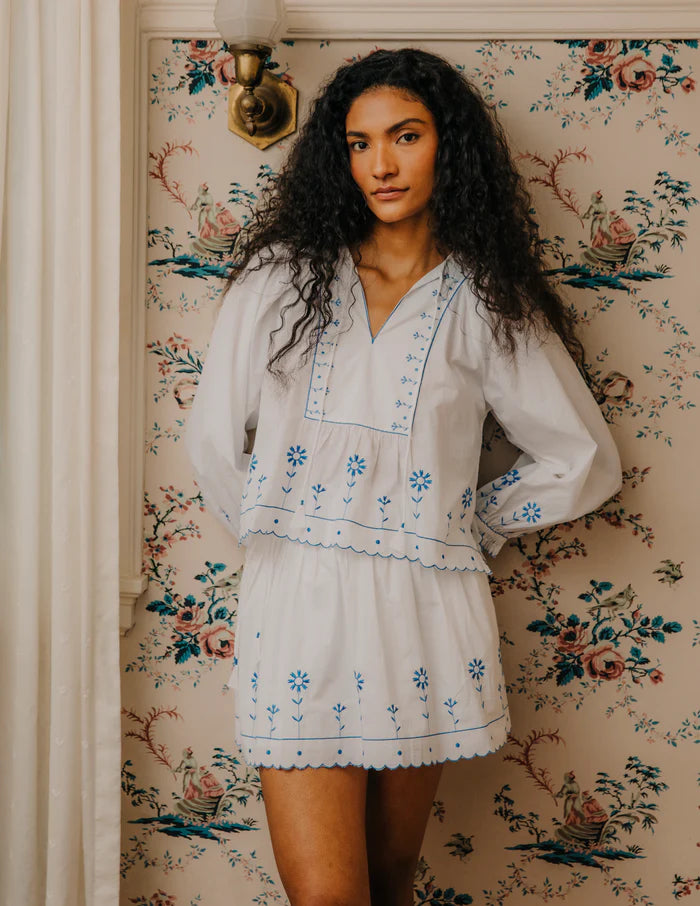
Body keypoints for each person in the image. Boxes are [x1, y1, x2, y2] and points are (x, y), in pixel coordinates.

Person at [185, 47, 623, 906]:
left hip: (421, 606)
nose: (380, 163)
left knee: (389, 886)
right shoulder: (279, 280)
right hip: (298, 606)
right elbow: (211, 445)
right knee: (329, 898)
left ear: (446, 147)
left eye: (405, 136)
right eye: (358, 143)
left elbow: (584, 460)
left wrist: (467, 524)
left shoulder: (488, 301)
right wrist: (292, 540)